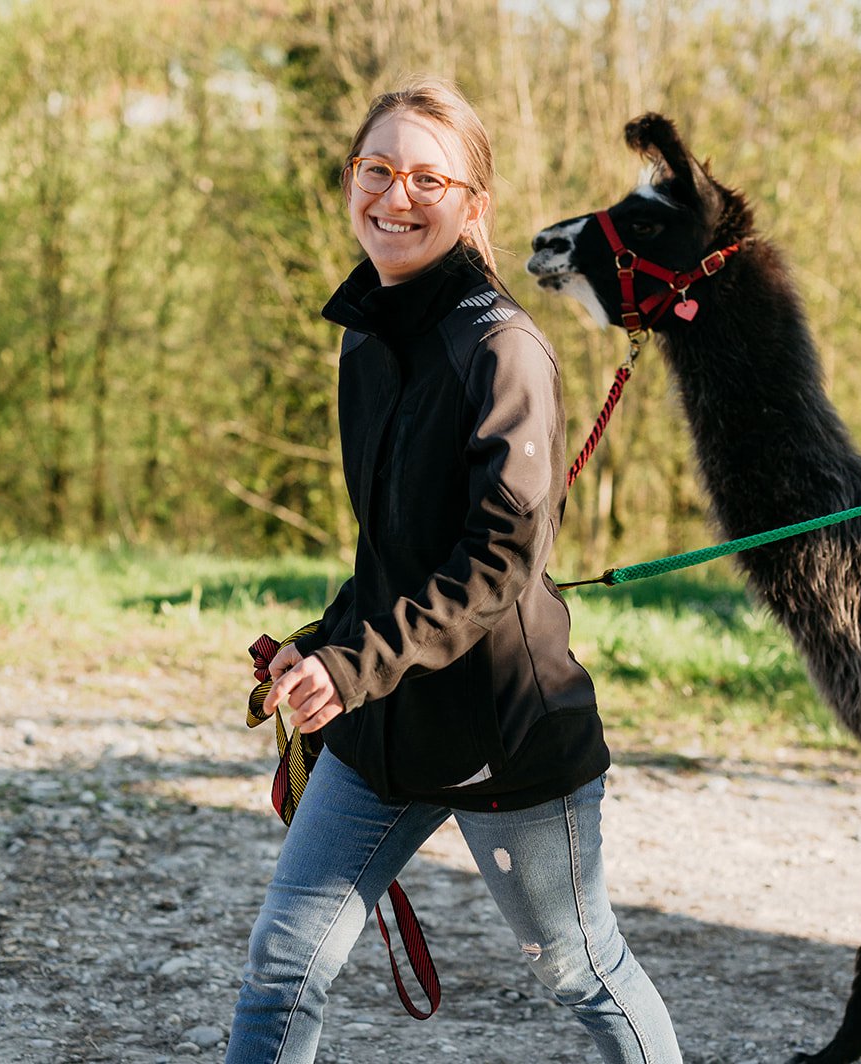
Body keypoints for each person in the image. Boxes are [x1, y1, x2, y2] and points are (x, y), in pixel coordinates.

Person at [224, 76, 684, 1064]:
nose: (395, 196)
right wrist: (323, 646)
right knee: (283, 962)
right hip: (383, 722)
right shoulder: (367, 333)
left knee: (581, 970)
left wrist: (351, 664)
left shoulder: (501, 350)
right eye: (376, 169)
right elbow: (393, 547)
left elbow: (496, 560)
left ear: (473, 204)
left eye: (427, 179)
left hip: (503, 731)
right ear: (351, 180)